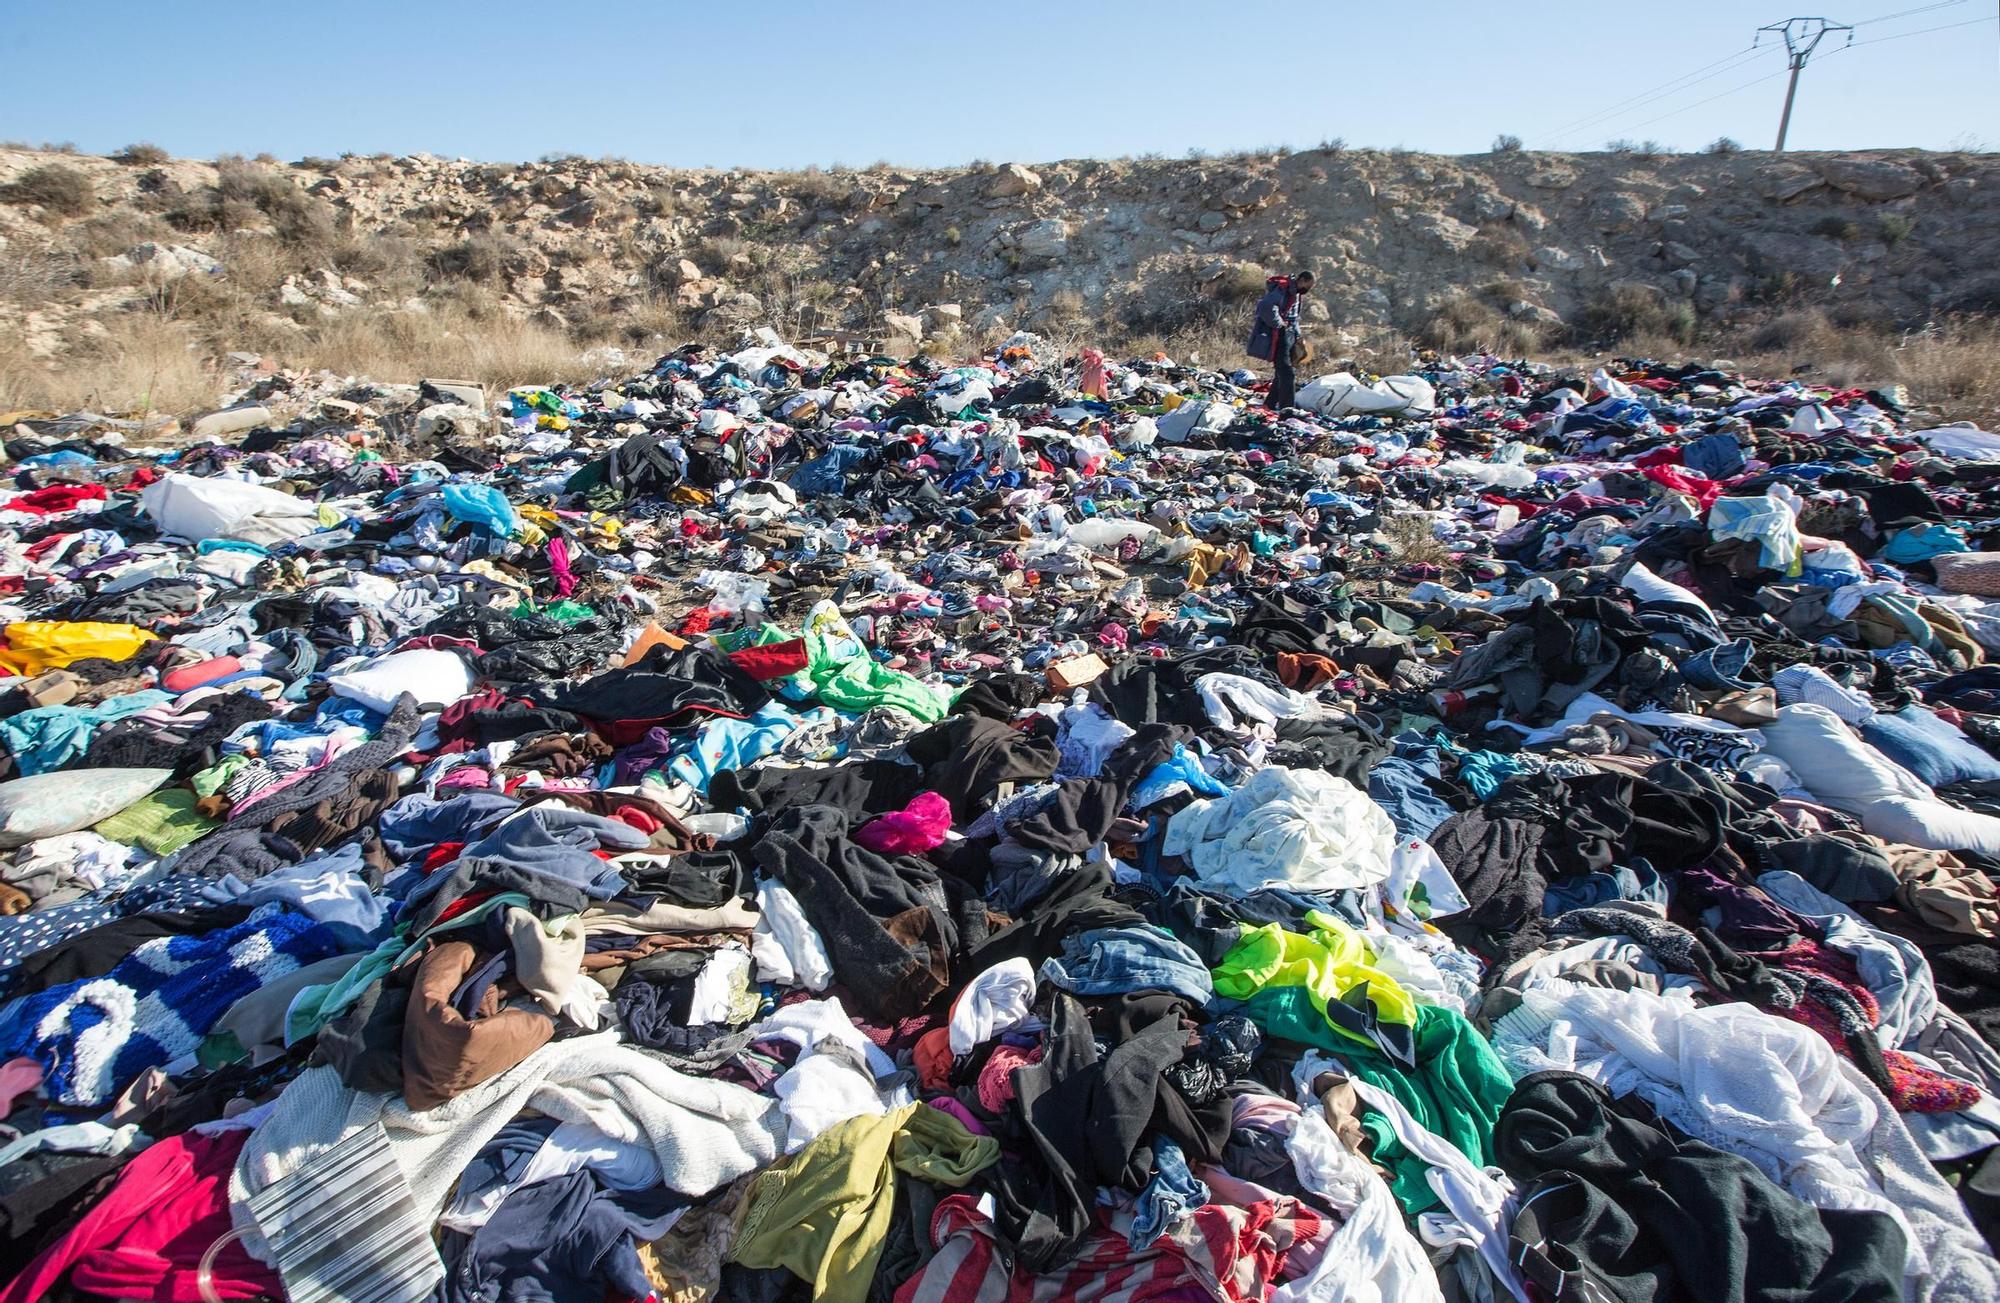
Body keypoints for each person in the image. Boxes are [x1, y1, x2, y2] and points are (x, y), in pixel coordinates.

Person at [1247, 269, 1313, 410]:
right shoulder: (1283, 289)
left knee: (1281, 373)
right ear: (1303, 280)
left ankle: (1269, 405)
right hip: (1280, 335)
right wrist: (1279, 324)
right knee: (1287, 373)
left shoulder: (1295, 292)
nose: (1307, 289)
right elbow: (1265, 306)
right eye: (1308, 285)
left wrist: (1298, 336)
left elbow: (1294, 317)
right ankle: (1287, 410)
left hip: (1289, 334)